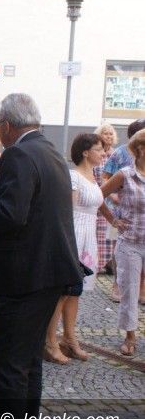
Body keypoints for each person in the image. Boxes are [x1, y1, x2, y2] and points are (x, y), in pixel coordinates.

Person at [0, 93, 83, 419]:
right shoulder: (49, 149)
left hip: (24, 276)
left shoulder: (18, 153)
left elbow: (11, 214)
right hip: (49, 272)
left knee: (10, 363)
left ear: (7, 125)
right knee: (29, 361)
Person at [43, 133, 104, 364]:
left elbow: (98, 205)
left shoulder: (93, 177)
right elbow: (66, 211)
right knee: (64, 291)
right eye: (99, 149)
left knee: (75, 291)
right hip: (74, 235)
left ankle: (69, 339)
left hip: (89, 237)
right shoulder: (74, 176)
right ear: (85, 152)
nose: (103, 153)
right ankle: (49, 342)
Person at [99, 129, 145, 357]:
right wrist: (113, 220)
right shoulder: (125, 175)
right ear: (141, 149)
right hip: (131, 244)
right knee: (130, 291)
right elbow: (98, 196)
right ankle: (130, 336)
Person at [102, 119, 145, 304]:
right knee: (119, 249)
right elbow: (105, 176)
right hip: (121, 210)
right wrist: (113, 197)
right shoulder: (120, 153)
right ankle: (117, 285)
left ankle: (141, 288)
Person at [93, 124, 117, 277]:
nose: (108, 136)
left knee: (112, 235)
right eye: (105, 133)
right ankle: (97, 264)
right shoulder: (97, 154)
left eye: (110, 133)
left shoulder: (116, 155)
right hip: (99, 197)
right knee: (99, 234)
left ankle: (110, 264)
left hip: (114, 201)